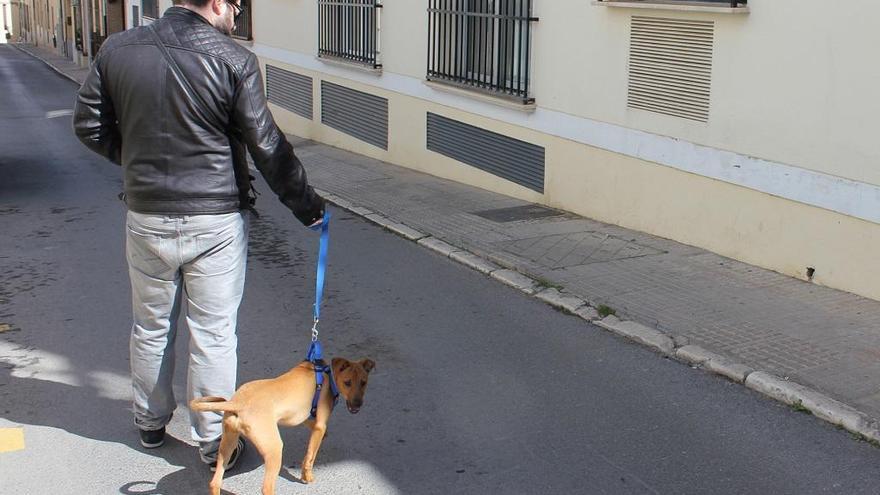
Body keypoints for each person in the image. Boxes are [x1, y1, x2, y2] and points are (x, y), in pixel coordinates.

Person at [72, 0, 324, 470]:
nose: (237, 14)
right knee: (213, 334)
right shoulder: (233, 59)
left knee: (150, 324)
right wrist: (306, 206)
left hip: (146, 214)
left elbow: (88, 125)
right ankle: (213, 442)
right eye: (235, 6)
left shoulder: (117, 48)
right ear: (215, 4)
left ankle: (149, 423)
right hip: (216, 221)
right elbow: (266, 142)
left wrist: (136, 164)